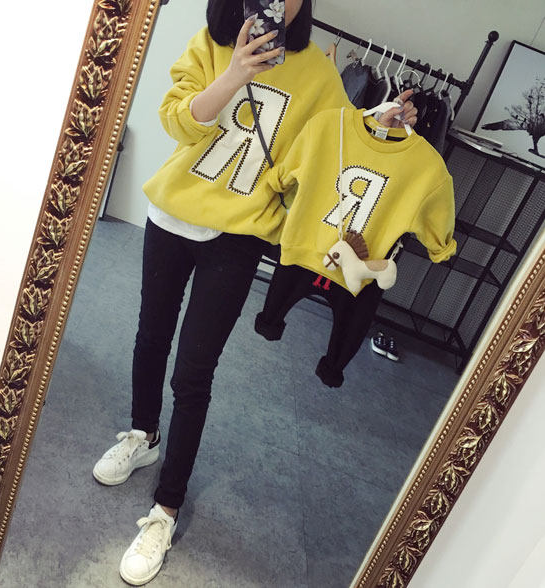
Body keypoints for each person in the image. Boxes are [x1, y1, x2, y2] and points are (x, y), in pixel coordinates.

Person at [92, 1, 418, 585]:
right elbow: (176, 120)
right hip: (171, 216)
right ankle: (143, 434)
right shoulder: (211, 42)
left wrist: (382, 120)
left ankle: (165, 510)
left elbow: (340, 144)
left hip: (238, 237)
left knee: (194, 372)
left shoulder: (317, 72)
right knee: (151, 336)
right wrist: (234, 73)